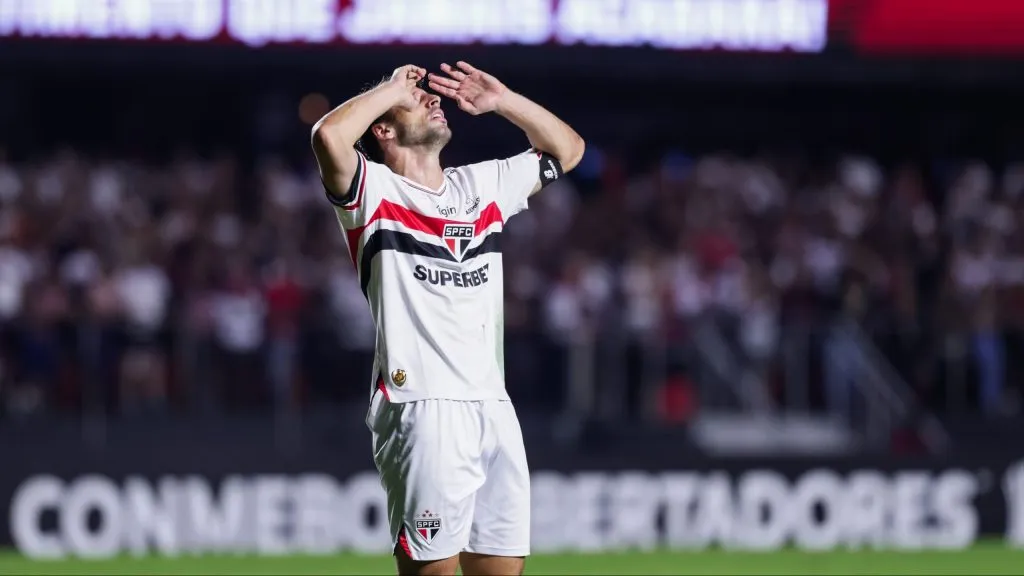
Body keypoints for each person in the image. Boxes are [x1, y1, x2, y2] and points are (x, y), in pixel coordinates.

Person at [310, 62, 584, 576]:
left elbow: (568, 150)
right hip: (421, 405)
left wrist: (504, 101)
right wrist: (392, 87)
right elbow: (328, 136)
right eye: (419, 100)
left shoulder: (483, 185)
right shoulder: (373, 193)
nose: (434, 99)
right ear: (383, 130)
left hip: (492, 404)